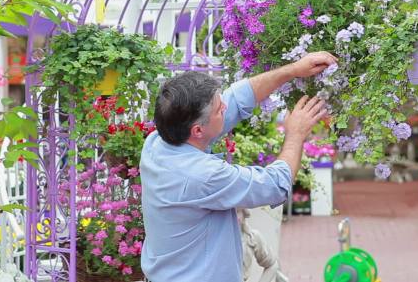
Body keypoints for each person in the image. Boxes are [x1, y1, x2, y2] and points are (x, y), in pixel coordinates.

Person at [140, 51, 338, 282]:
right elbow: (275, 185)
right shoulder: (202, 175)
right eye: (218, 109)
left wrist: (293, 69)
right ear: (198, 131)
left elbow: (237, 98)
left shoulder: (157, 143)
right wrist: (295, 133)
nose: (225, 105)